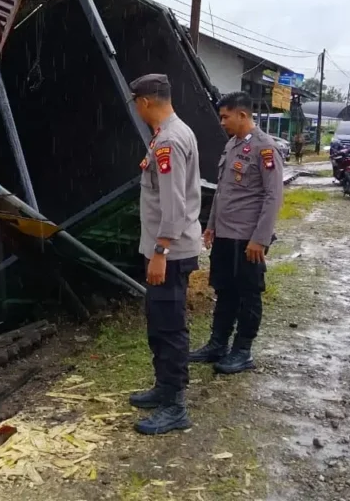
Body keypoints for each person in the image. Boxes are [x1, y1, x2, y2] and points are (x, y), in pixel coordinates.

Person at [127, 73, 202, 436]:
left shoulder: (169, 141)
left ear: (144, 102)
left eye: (135, 104)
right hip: (167, 249)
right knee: (159, 323)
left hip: (169, 253)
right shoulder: (172, 133)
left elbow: (173, 205)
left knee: (169, 327)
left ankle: (175, 406)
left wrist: (160, 251)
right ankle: (163, 388)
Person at [191, 91, 284, 374]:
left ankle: (242, 350)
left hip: (248, 238)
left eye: (225, 116)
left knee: (248, 294)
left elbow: (273, 196)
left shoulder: (265, 148)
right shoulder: (232, 145)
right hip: (225, 235)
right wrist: (210, 226)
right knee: (224, 290)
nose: (222, 122)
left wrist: (260, 238)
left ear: (242, 115)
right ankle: (217, 344)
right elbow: (223, 191)